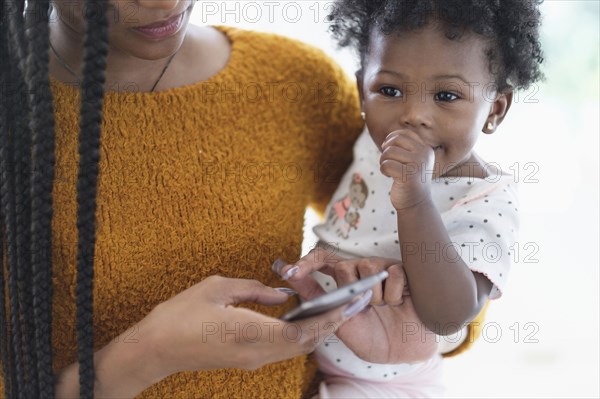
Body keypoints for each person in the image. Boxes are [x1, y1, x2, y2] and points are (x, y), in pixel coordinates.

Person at [0, 0, 370, 398]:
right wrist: (152, 353)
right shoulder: (14, 112)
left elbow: (410, 248)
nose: (165, 3)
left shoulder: (294, 80)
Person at [276, 0, 544, 397]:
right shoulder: (373, 143)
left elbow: (450, 315)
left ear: (495, 110)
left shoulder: (486, 200)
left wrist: (415, 198)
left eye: (447, 96)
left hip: (383, 381)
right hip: (311, 343)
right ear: (361, 92)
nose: (413, 114)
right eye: (389, 90)